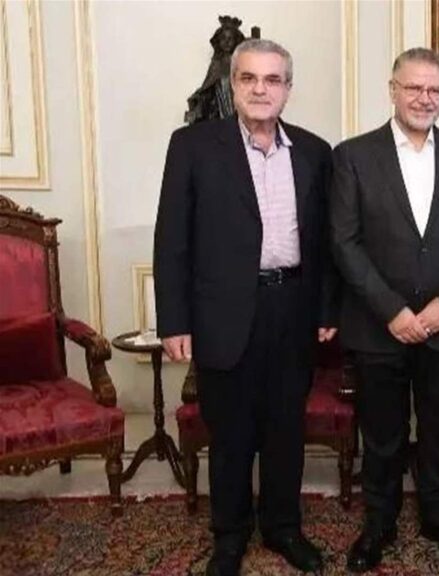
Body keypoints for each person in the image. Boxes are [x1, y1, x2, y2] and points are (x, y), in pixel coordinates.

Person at [154, 38, 335, 576]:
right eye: (249, 78)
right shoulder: (192, 146)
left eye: (272, 79)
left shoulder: (314, 151)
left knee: (285, 429)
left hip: (293, 308)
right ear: (232, 85)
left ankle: (283, 528)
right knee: (230, 433)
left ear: (288, 89)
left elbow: (325, 242)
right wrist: (174, 321)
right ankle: (229, 536)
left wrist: (327, 310)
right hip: (223, 313)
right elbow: (172, 239)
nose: (261, 89)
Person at [329, 47, 439, 573]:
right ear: (393, 90)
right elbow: (344, 242)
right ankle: (379, 523)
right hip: (378, 326)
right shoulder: (353, 156)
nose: (425, 98)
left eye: (435, 90)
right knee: (382, 433)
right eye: (414, 88)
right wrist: (392, 311)